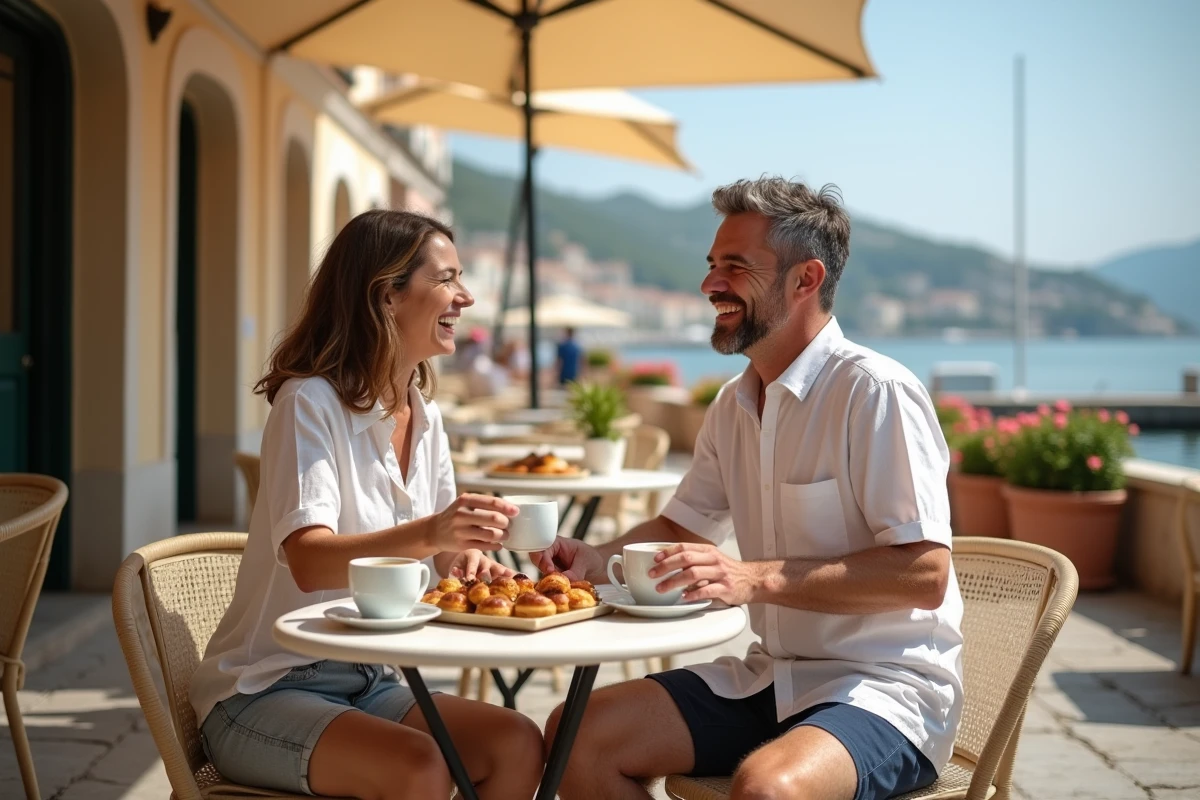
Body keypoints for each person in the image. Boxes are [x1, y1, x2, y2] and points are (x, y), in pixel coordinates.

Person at [533, 178, 963, 800]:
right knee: (577, 734)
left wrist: (754, 577)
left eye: (735, 266)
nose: (710, 284)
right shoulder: (734, 406)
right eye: (712, 265)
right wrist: (600, 559)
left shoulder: (875, 393)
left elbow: (923, 575)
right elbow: (682, 527)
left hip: (885, 689)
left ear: (805, 279)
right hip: (772, 676)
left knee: (768, 789)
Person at [189, 210, 544, 800]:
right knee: (417, 768)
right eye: (448, 279)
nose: (467, 296)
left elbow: (437, 559)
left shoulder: (424, 416)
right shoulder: (310, 403)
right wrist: (436, 531)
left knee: (517, 741)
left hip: (372, 678)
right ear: (386, 296)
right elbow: (310, 561)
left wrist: (467, 563)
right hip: (267, 689)